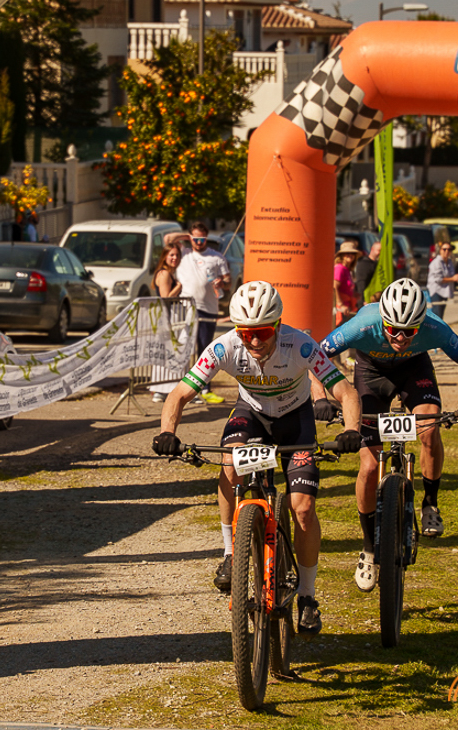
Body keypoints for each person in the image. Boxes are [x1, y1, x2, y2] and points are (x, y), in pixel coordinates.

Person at [152, 281, 362, 634]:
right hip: (251, 415)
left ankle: (308, 596)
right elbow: (179, 395)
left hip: (295, 421)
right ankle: (230, 553)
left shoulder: (300, 345)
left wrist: (352, 429)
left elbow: (346, 391)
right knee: (229, 465)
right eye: (245, 333)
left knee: (303, 508)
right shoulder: (225, 346)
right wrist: (167, 432)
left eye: (262, 332)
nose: (253, 341)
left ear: (277, 325)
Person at [312, 278, 458, 592]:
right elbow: (315, 358)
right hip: (371, 373)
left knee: (429, 428)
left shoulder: (434, 327)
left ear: (421, 324)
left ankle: (430, 504)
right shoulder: (362, 325)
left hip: (413, 370)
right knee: (369, 465)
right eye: (393, 330)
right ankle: (368, 547)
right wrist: (320, 398)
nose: (401, 338)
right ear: (383, 322)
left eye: (410, 331)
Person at [177, 222, 230, 405]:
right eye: (195, 239)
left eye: (202, 239)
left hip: (208, 309)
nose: (199, 243)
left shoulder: (216, 257)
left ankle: (205, 388)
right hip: (186, 307)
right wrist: (186, 237)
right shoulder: (184, 253)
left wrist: (222, 283)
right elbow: (168, 239)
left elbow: (228, 281)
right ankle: (180, 388)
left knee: (205, 350)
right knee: (183, 348)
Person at [149, 239, 185, 403]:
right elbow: (166, 298)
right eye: (171, 255)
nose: (174, 258)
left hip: (172, 318)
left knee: (173, 352)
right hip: (167, 318)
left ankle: (171, 388)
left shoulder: (170, 274)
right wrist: (178, 287)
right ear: (164, 256)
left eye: (177, 255)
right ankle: (160, 389)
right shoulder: (164, 274)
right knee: (165, 352)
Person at [427, 240, 458, 321]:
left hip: (445, 291)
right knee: (436, 317)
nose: (446, 251)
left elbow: (451, 275)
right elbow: (438, 279)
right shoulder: (436, 262)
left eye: (449, 249)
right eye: (444, 249)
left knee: (441, 317)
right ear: (440, 250)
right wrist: (453, 279)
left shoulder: (449, 262)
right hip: (436, 291)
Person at [333, 240, 361, 326]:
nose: (350, 255)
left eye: (352, 253)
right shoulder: (339, 268)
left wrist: (354, 295)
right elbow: (334, 287)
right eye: (347, 253)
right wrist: (340, 304)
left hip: (346, 309)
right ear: (342, 255)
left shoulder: (347, 269)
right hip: (340, 310)